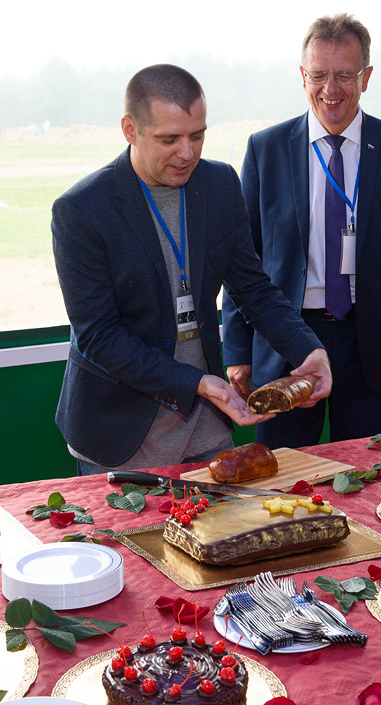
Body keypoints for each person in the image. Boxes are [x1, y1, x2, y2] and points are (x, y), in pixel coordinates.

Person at [51, 64, 331, 475]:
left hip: (207, 424)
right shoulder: (82, 210)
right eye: (170, 139)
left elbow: (252, 288)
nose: (188, 153)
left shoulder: (219, 184)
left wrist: (310, 351)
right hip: (119, 430)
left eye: (197, 135)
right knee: (122, 540)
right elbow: (99, 337)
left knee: (219, 535)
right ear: (130, 129)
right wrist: (195, 382)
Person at [222, 13, 381, 449]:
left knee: (364, 475)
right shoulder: (266, 150)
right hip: (286, 343)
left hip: (368, 345)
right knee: (281, 478)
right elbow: (243, 260)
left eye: (344, 75)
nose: (330, 89)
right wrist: (237, 352)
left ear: (366, 77)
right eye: (318, 75)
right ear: (303, 76)